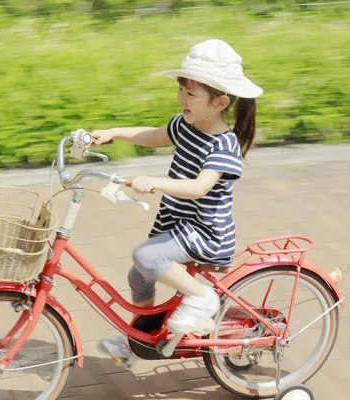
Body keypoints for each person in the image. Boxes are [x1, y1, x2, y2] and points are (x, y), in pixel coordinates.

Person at [91, 39, 263, 367]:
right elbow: (155, 135)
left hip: (206, 231)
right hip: (178, 224)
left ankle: (202, 298)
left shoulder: (224, 146)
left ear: (220, 102)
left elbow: (200, 187)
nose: (182, 98)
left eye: (191, 93)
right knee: (138, 274)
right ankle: (137, 342)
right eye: (181, 89)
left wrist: (155, 182)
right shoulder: (186, 125)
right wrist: (113, 132)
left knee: (145, 255)